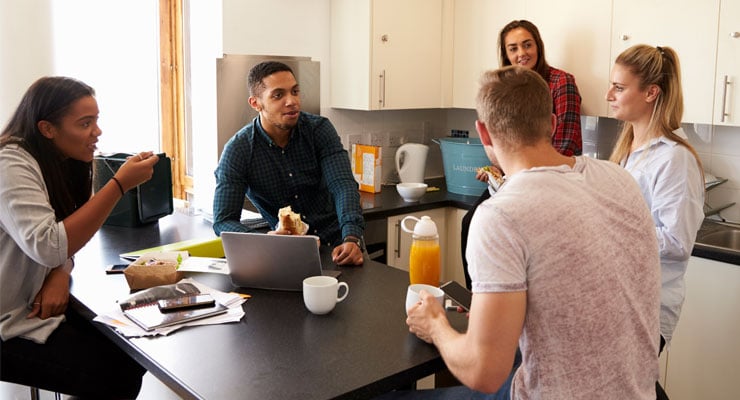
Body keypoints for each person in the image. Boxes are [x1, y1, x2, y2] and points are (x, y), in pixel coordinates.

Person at [384, 66, 661, 399]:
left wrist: (435, 325)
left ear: (483, 134)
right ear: (553, 123)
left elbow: (483, 372)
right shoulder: (619, 178)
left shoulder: (500, 215)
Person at [0, 76, 158, 397]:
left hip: (28, 304)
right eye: (85, 123)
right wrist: (118, 185)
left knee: (131, 349)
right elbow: (48, 245)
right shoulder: (10, 163)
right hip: (7, 321)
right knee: (111, 374)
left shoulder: (61, 161)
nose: (96, 132)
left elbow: (62, 240)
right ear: (47, 129)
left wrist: (61, 270)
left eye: (96, 121)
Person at [460, 19, 583, 289]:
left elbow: (565, 145)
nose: (521, 54)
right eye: (513, 48)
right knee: (471, 222)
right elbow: (503, 142)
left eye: (527, 45)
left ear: (538, 47)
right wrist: (496, 171)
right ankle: (478, 298)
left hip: (551, 180)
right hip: (511, 178)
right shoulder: (503, 89)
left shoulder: (561, 83)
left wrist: (518, 175)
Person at [213, 61, 365, 266]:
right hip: (286, 255)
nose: (291, 101)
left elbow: (343, 185)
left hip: (341, 245)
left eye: (295, 91)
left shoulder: (319, 130)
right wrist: (266, 241)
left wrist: (352, 237)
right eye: (278, 95)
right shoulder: (238, 151)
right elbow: (223, 220)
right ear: (256, 103)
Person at [607, 44, 704, 351]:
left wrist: (609, 230)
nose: (609, 95)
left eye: (619, 88)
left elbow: (676, 243)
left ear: (650, 93)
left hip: (647, 308)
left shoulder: (675, 159)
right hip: (619, 299)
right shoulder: (628, 150)